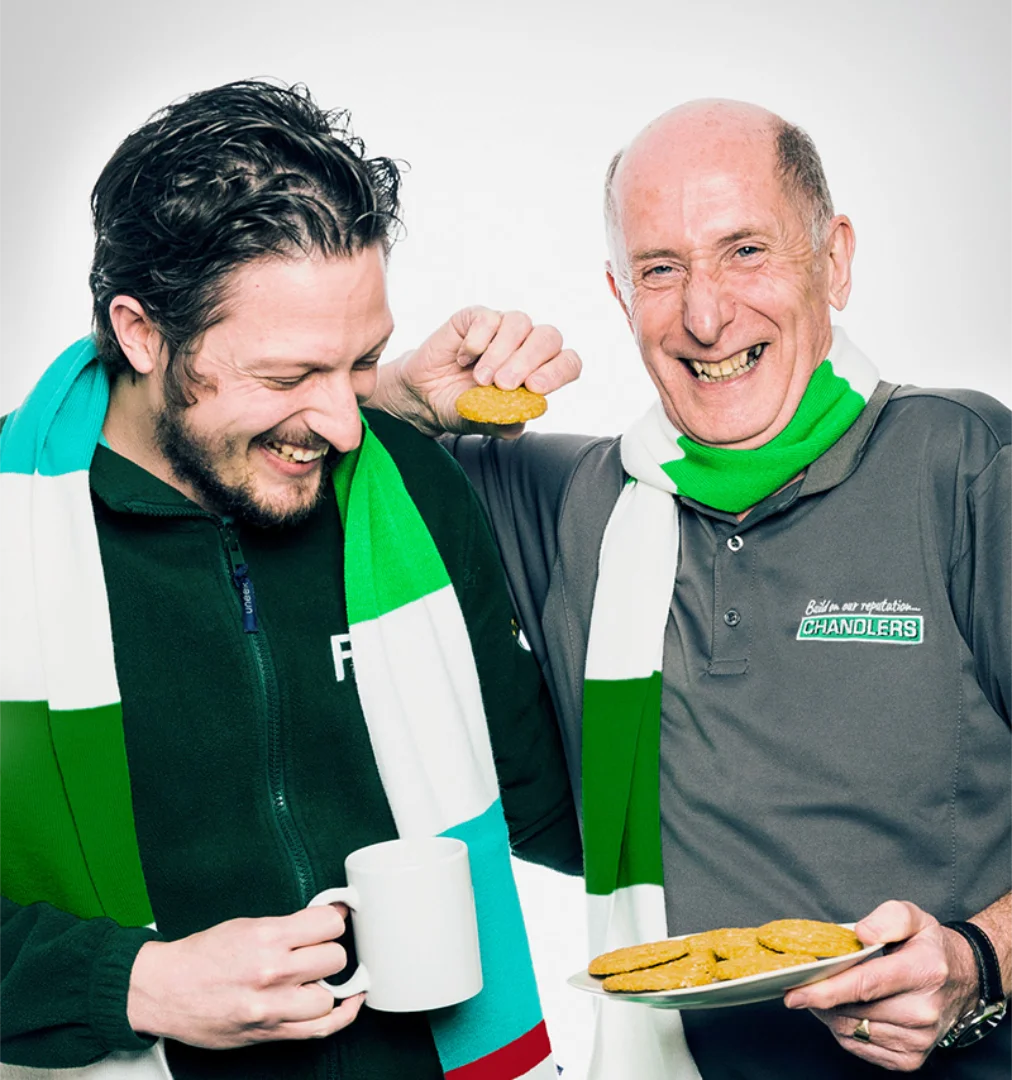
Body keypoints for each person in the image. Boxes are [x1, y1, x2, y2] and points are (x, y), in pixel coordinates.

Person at [371, 100, 1012, 1078]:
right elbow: (290, 448)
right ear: (620, 295)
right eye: (660, 269)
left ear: (832, 259)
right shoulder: (569, 503)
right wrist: (403, 395)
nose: (705, 316)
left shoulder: (965, 465)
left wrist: (977, 961)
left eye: (745, 250)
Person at [0, 80, 583, 1080]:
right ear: (142, 332)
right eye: (287, 377)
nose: (348, 425)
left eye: (362, 362)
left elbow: (549, 798)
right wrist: (133, 983)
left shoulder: (407, 487)